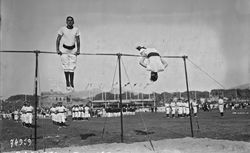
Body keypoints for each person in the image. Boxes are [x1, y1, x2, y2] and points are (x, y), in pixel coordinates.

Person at [56, 16, 80, 92]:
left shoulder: (76, 29)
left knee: (72, 67)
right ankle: (67, 83)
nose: (70, 22)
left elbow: (78, 40)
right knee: (66, 67)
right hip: (64, 49)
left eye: (71, 21)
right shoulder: (62, 29)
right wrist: (57, 49)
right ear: (66, 22)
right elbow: (58, 39)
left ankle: (72, 83)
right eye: (68, 21)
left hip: (73, 49)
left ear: (73, 22)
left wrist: (78, 50)